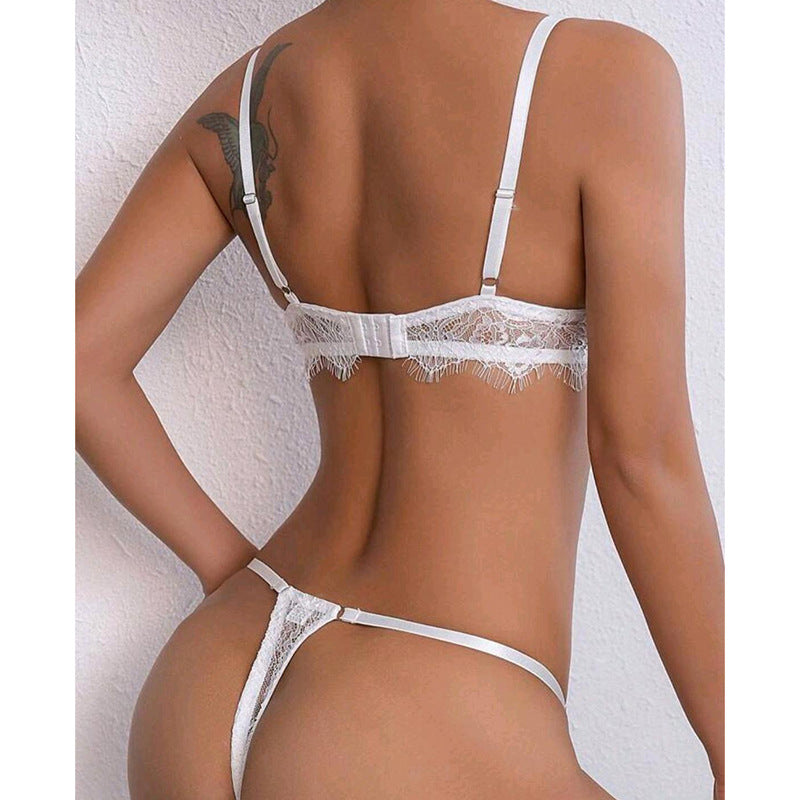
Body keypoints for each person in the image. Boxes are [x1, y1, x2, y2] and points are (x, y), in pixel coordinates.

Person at [75, 2, 724, 798]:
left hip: (207, 681)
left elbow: (75, 362)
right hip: (424, 703)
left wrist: (228, 571)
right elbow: (640, 456)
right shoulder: (604, 73)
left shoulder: (244, 99)